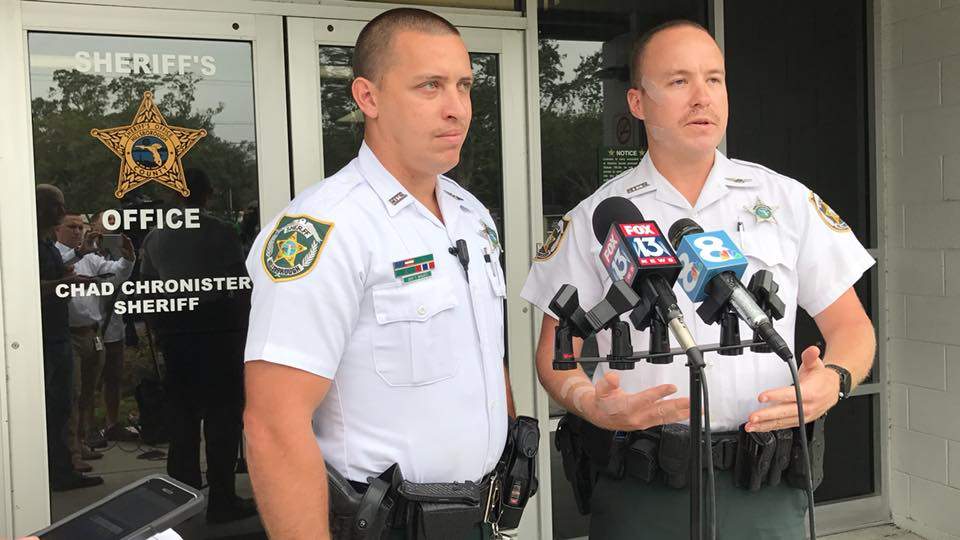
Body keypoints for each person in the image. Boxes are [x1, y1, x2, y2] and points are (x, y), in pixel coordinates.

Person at [520, 20, 876, 539]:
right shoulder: (597, 218)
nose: (702, 97)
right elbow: (556, 352)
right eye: (679, 81)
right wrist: (587, 401)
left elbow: (852, 327)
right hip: (641, 485)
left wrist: (835, 379)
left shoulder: (783, 200)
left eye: (714, 79)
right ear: (638, 102)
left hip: (764, 485)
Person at [243, 8, 514, 539]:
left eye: (464, 86)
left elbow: (483, 355)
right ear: (368, 97)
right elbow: (273, 424)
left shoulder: (471, 215)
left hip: (480, 519)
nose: (456, 108)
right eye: (430, 86)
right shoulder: (325, 228)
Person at [140, 168, 255, 524]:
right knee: (222, 420)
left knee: (183, 421)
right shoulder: (218, 231)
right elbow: (240, 281)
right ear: (207, 193)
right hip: (218, 329)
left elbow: (148, 286)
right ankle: (221, 499)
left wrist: (160, 331)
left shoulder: (157, 236)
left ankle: (182, 502)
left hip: (178, 331)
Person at [35, 184, 104, 491]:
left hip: (59, 334)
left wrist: (72, 266)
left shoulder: (47, 244)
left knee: (64, 406)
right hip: (45, 339)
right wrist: (66, 281)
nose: (62, 212)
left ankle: (62, 469)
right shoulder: (29, 245)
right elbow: (29, 288)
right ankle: (53, 472)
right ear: (37, 207)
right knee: (52, 408)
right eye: (56, 206)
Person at [55, 213, 136, 472]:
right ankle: (71, 453)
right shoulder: (54, 255)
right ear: (58, 229)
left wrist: (128, 256)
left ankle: (82, 442)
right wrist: (80, 253)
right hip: (69, 334)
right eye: (72, 227)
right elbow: (58, 270)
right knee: (73, 393)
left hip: (94, 332)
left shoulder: (91, 258)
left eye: (81, 227)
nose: (78, 231)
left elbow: (117, 275)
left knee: (88, 393)